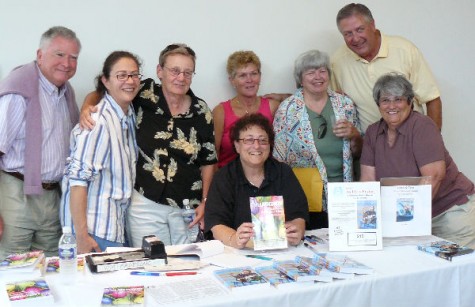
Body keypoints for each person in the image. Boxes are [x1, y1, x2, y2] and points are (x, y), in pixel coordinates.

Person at [80, 44, 217, 246]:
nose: (181, 77)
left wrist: (206, 202)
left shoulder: (201, 110)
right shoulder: (143, 92)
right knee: (152, 265)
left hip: (187, 208)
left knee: (188, 264)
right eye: (175, 71)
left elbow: (208, 161)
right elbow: (103, 92)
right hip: (145, 204)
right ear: (160, 71)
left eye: (188, 72)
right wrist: (87, 107)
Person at [360, 73, 475, 248]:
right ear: (378, 104)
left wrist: (407, 221)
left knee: (457, 270)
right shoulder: (372, 132)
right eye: (385, 100)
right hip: (407, 218)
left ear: (410, 101)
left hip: (449, 214)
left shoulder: (423, 127)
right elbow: (368, 182)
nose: (392, 106)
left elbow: (434, 178)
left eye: (398, 99)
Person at [0, 26, 81, 258]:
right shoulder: (18, 89)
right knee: (12, 269)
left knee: (52, 267)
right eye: (59, 54)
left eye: (73, 57)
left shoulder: (66, 92)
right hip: (16, 196)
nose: (66, 63)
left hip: (52, 197)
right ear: (40, 55)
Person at [60, 51, 140, 254]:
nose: (129, 81)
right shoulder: (98, 122)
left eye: (134, 75)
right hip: (95, 232)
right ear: (105, 81)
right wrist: (82, 238)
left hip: (114, 228)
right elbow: (77, 183)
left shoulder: (127, 114)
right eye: (121, 75)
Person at [273, 50, 362, 230]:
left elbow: (359, 153)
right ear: (300, 78)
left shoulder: (344, 104)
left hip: (343, 194)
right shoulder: (288, 109)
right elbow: (278, 159)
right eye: (310, 72)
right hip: (305, 194)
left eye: (322, 71)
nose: (318, 77)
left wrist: (354, 135)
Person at [331, 3, 442, 131]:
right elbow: (336, 104)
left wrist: (432, 141)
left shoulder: (405, 50)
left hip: (412, 141)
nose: (355, 38)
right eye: (348, 34)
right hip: (369, 146)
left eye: (360, 29)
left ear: (372, 25)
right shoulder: (337, 62)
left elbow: (432, 98)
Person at [205, 113, 308, 249]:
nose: (257, 146)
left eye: (262, 140)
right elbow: (215, 223)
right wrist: (234, 239)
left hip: (281, 250)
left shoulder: (283, 172)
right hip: (237, 253)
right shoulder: (224, 177)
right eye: (249, 140)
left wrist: (297, 230)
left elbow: (299, 214)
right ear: (236, 145)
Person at [213, 51, 280, 168]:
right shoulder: (220, 112)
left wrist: (284, 96)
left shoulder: (273, 107)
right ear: (232, 80)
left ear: (260, 76)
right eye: (242, 75)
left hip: (266, 179)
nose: (250, 80)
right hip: (229, 180)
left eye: (253, 73)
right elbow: (213, 155)